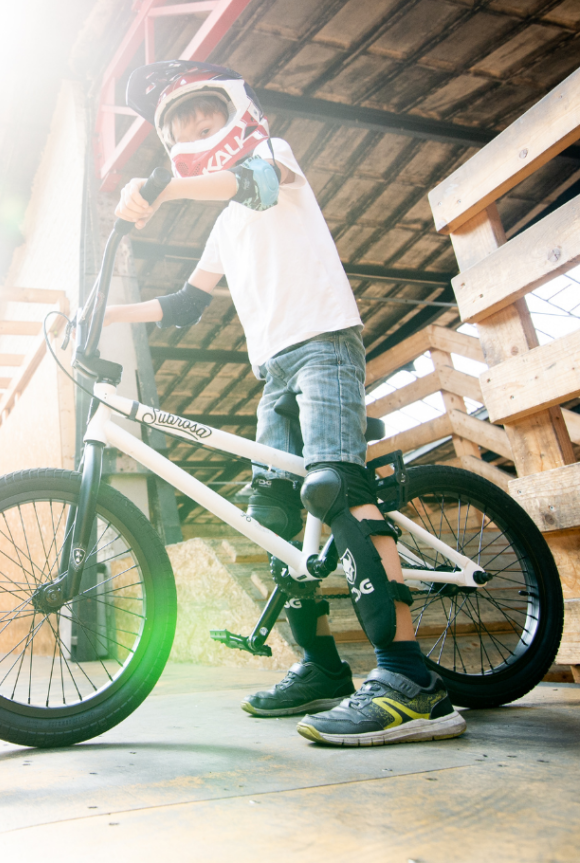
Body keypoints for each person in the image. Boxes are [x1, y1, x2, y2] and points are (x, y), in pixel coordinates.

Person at [103, 60, 466, 747]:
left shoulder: (274, 158)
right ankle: (321, 666)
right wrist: (102, 314)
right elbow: (185, 304)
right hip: (274, 370)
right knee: (271, 514)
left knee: (333, 485)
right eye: (183, 125)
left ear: (235, 113)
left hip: (324, 341)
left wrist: (166, 187)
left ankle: (410, 680)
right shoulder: (221, 227)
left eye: (206, 115)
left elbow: (257, 185)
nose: (198, 128)